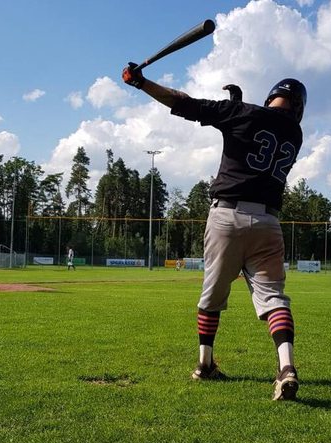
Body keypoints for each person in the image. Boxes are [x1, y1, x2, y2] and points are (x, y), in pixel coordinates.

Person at [123, 64, 305, 400]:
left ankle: (205, 364)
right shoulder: (295, 135)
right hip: (268, 223)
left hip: (227, 216)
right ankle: (286, 367)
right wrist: (237, 107)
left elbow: (183, 103)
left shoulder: (240, 112)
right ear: (299, 108)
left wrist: (141, 83)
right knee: (274, 298)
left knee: (212, 295)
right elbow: (260, 129)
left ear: (271, 97)